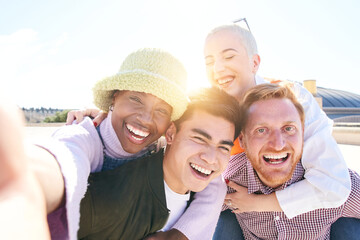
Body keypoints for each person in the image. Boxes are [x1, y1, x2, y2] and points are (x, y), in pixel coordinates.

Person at [75, 24, 354, 237]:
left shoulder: (291, 100)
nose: (218, 68)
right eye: (209, 61)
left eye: (228, 56)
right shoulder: (208, 106)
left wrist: (259, 204)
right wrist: (109, 114)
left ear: (254, 62)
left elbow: (335, 186)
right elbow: (160, 119)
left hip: (304, 216)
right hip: (240, 215)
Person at [28, 48, 227, 240]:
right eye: (136, 99)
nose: (146, 119)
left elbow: (215, 186)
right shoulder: (86, 136)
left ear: (169, 125)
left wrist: (180, 235)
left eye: (161, 111)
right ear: (114, 98)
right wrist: (30, 186)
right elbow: (63, 158)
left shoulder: (158, 144)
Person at [77, 87, 241, 239]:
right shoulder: (108, 199)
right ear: (170, 134)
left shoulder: (204, 194)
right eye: (199, 139)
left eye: (223, 147)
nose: (211, 158)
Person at [221, 83, 360, 240]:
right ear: (242, 141)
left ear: (303, 135)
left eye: (288, 128)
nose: (278, 145)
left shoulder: (334, 184)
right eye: (261, 130)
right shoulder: (232, 182)